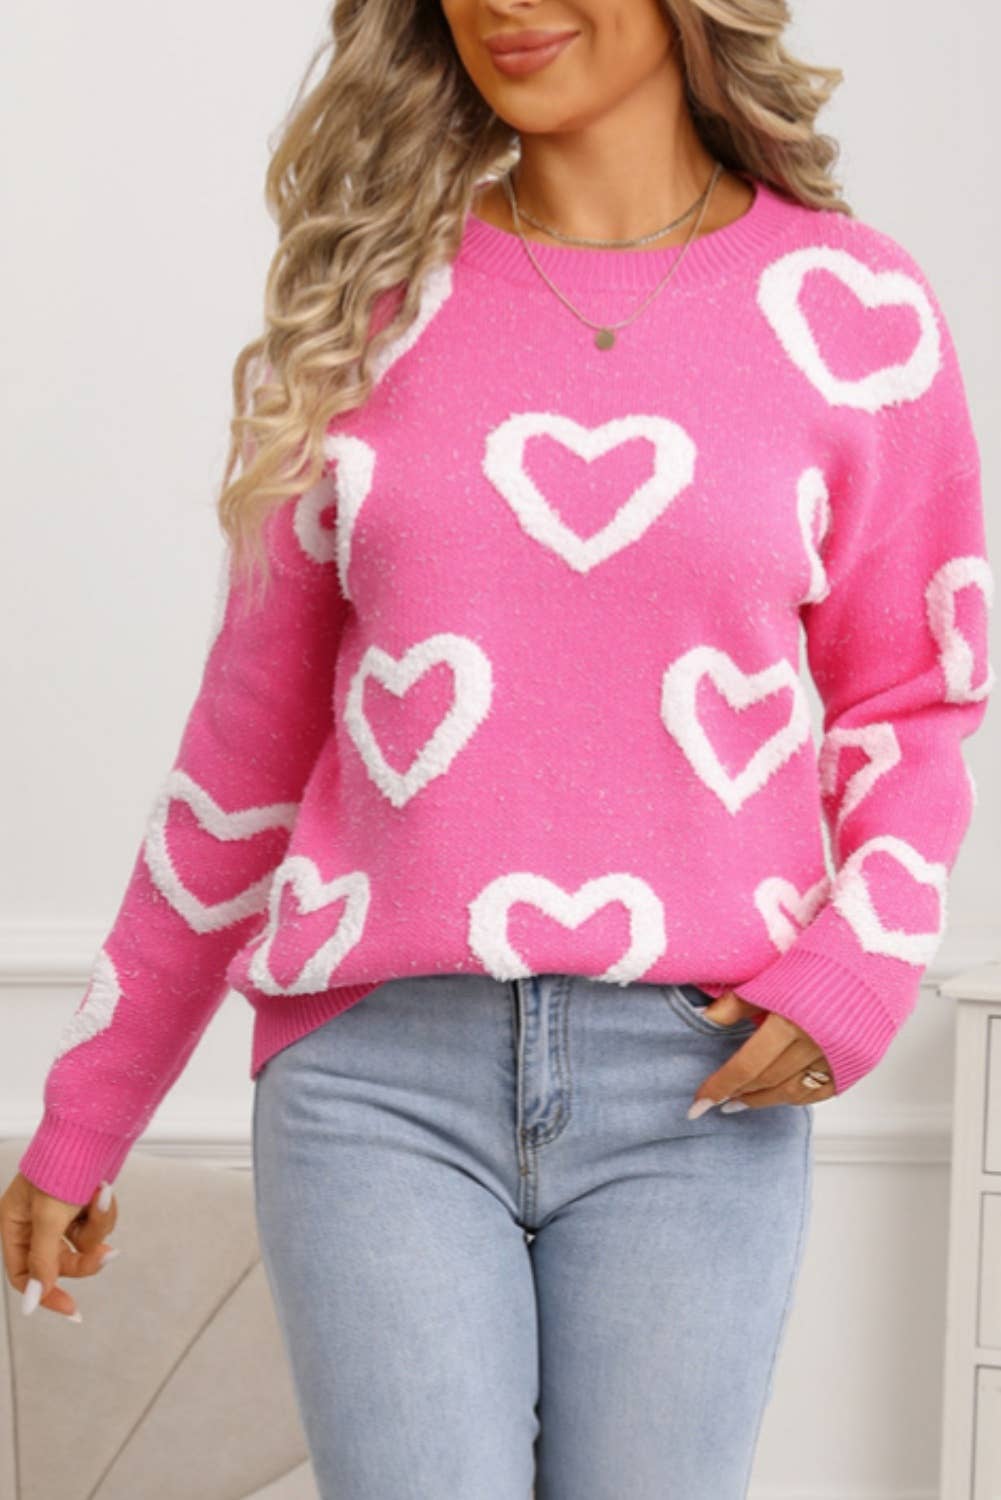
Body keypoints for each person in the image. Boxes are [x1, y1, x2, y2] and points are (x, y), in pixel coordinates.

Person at [2, 0, 994, 1495]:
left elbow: (914, 699)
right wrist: (87, 1111)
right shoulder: (368, 304)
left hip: (695, 1086)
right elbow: (244, 756)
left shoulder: (850, 310)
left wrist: (855, 966)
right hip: (374, 1082)